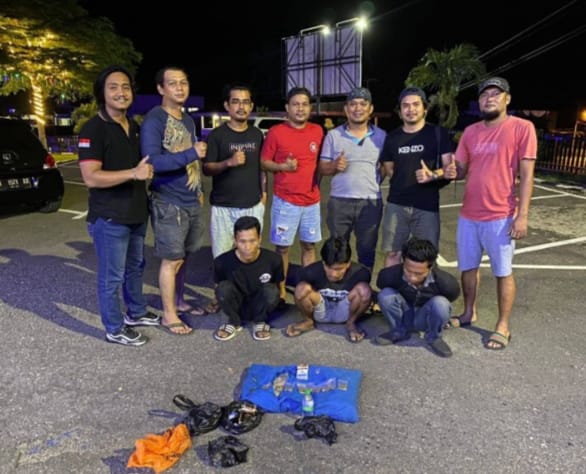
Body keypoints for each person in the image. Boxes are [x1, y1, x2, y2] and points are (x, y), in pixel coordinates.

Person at [444, 77, 537, 350]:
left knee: (503, 271)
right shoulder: (470, 132)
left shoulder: (522, 128)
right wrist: (452, 171)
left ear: (507, 99)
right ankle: (468, 312)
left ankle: (502, 325)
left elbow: (527, 175)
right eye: (485, 95)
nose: (489, 98)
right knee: (467, 268)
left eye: (496, 94)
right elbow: (461, 170)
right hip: (468, 214)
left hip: (501, 215)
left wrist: (522, 215)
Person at [78, 65, 159, 346]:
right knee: (111, 277)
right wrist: (133, 173)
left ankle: (136, 312)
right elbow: (90, 177)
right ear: (102, 92)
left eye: (125, 87)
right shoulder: (93, 129)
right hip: (110, 217)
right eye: (113, 87)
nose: (121, 92)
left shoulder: (133, 126)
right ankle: (114, 328)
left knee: (135, 267)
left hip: (136, 212)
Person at [140, 66, 207, 335]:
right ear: (161, 88)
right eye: (172, 83)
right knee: (171, 260)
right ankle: (169, 315)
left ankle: (178, 302)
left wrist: (199, 189)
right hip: (169, 201)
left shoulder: (187, 119)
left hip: (191, 199)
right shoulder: (154, 120)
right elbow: (152, 162)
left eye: (183, 82)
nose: (180, 88)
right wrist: (191, 154)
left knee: (184, 258)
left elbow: (192, 160)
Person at [202, 82, 266, 313]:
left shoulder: (257, 134)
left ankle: (250, 294)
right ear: (227, 106)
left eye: (246, 102)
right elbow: (207, 168)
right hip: (223, 206)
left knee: (250, 254)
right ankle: (220, 296)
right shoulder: (217, 135)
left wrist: (264, 193)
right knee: (222, 256)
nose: (241, 106)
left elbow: (261, 168)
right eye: (236, 101)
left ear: (251, 106)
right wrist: (228, 162)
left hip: (252, 205)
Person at [260, 86, 324, 303]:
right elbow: (264, 162)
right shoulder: (276, 132)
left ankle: (307, 287)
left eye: (305, 104)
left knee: (309, 245)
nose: (300, 108)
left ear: (310, 108)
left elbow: (321, 163)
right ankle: (280, 289)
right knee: (282, 248)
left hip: (311, 202)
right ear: (287, 108)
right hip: (285, 201)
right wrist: (283, 167)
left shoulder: (318, 131)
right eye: (296, 104)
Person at [379, 86, 455, 268]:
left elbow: (450, 168)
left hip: (427, 205)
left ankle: (426, 287)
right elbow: (389, 168)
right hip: (396, 204)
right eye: (405, 105)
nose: (410, 109)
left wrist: (433, 175)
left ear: (425, 109)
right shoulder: (392, 137)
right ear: (400, 112)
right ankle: (391, 286)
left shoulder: (438, 134)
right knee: (393, 253)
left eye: (415, 104)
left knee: (427, 255)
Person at [319, 87, 387, 273]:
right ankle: (339, 286)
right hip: (339, 202)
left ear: (370, 109)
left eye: (363, 104)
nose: (358, 108)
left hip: (370, 203)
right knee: (337, 250)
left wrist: (372, 182)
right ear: (346, 109)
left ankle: (363, 287)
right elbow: (322, 167)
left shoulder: (382, 136)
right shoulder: (333, 135)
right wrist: (334, 165)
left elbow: (385, 168)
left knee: (367, 251)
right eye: (353, 104)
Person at [375, 238, 460, 357]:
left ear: (431, 267)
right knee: (385, 294)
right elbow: (383, 291)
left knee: (441, 303)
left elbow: (448, 302)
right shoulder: (388, 275)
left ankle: (434, 337)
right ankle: (398, 331)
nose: (412, 277)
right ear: (403, 261)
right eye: (408, 271)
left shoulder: (447, 284)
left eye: (419, 273)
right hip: (404, 314)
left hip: (425, 318)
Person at [286, 236, 372, 343]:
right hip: (320, 309)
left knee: (365, 290)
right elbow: (301, 294)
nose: (333, 274)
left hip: (345, 310)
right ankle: (308, 321)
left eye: (339, 269)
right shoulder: (310, 272)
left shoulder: (361, 273)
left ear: (348, 264)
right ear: (323, 263)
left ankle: (351, 323)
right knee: (301, 288)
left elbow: (365, 297)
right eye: (328, 268)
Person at [212, 216, 284, 341]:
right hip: (237, 304)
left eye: (252, 241)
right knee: (223, 288)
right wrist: (217, 302)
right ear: (235, 240)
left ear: (260, 239)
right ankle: (234, 322)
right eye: (242, 241)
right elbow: (218, 286)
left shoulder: (273, 260)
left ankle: (260, 321)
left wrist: (279, 298)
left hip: (260, 303)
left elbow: (279, 285)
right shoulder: (221, 262)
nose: (247, 247)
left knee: (271, 290)